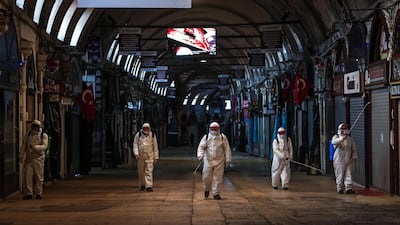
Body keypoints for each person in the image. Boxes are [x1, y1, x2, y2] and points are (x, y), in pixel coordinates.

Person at [197, 122, 232, 200]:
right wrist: (200, 155)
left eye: (216, 129)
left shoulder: (222, 137)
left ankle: (216, 193)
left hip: (219, 160)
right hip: (208, 160)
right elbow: (201, 147)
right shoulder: (206, 137)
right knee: (206, 177)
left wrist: (228, 159)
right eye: (212, 129)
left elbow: (227, 149)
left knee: (218, 178)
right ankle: (206, 189)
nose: (214, 130)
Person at [18, 120, 49, 200]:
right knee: (28, 176)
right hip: (29, 158)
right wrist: (21, 155)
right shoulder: (28, 134)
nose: (35, 128)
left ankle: (38, 192)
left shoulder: (43, 135)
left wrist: (35, 147)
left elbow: (45, 146)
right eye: (34, 126)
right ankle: (29, 193)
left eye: (36, 126)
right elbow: (24, 145)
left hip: (38, 158)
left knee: (39, 177)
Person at [331, 123, 357, 194]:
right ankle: (340, 188)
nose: (344, 130)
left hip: (348, 159)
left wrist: (354, 156)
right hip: (338, 159)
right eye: (342, 129)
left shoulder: (350, 139)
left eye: (345, 129)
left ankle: (349, 188)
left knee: (348, 174)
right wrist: (342, 139)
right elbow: (333, 142)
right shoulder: (336, 137)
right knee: (340, 174)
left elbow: (353, 148)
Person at [133, 123, 159, 192]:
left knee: (149, 171)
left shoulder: (152, 135)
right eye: (144, 128)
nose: (146, 130)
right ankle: (142, 184)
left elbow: (155, 146)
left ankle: (149, 186)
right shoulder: (138, 135)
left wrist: (156, 157)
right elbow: (135, 144)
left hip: (149, 156)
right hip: (140, 157)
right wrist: (136, 154)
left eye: (147, 128)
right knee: (141, 171)